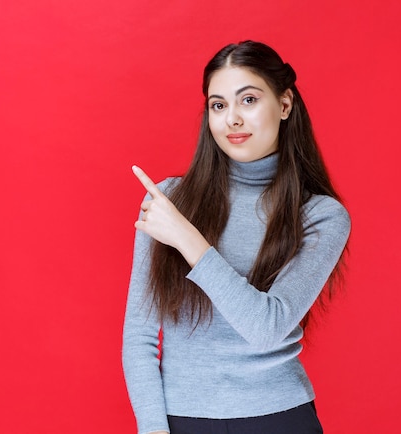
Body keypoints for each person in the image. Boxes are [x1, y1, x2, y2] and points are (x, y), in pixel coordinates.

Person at [122, 40, 351, 434]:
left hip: (280, 418)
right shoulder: (168, 200)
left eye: (248, 100)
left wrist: (188, 239)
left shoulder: (320, 216)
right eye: (218, 105)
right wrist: (152, 428)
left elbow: (267, 327)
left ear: (284, 104)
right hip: (183, 419)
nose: (232, 119)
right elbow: (139, 337)